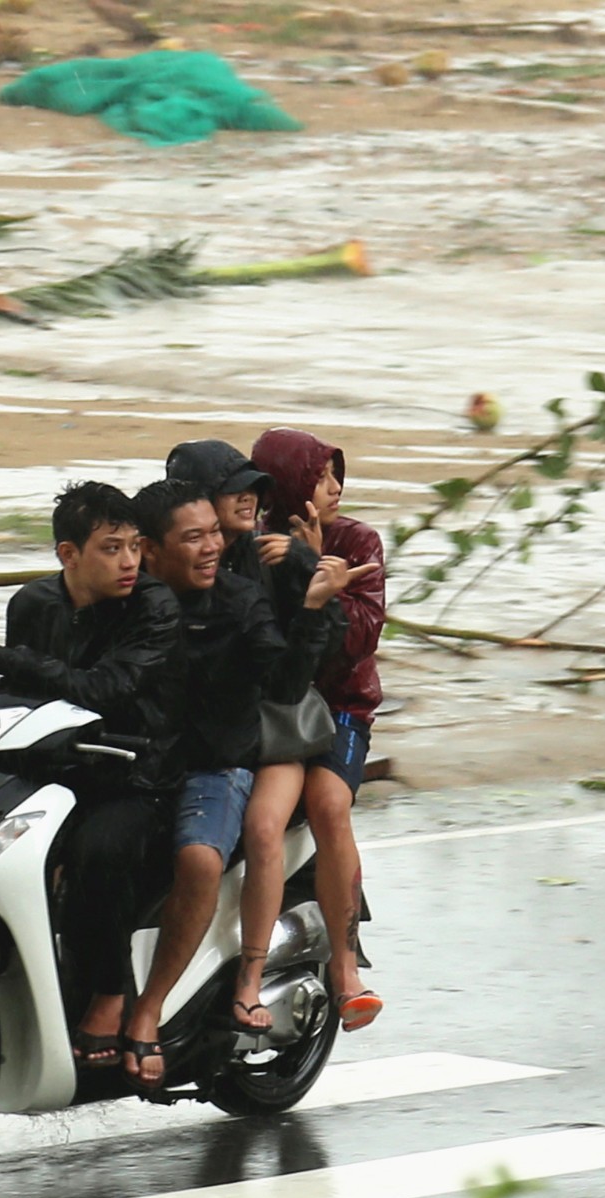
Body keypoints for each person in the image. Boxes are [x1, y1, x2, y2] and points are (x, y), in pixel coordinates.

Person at [0, 481, 186, 1069]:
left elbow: (106, 689)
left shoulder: (153, 607)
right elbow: (28, 695)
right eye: (110, 548)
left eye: (133, 546)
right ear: (68, 555)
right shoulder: (33, 605)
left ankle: (110, 993)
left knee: (99, 850)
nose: (128, 561)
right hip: (54, 771)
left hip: (135, 776)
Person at [117, 479, 354, 1086]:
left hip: (218, 767)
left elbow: (282, 683)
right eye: (193, 537)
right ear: (149, 548)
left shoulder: (240, 597)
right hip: (135, 765)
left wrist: (313, 604)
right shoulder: (126, 600)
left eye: (213, 534)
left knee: (201, 857)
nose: (210, 547)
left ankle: (149, 1008)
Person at [163, 439, 365, 1035]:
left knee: (261, 825)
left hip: (272, 735)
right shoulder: (164, 567)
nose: (249, 499)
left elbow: (293, 675)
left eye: (255, 488)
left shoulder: (272, 558)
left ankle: (252, 976)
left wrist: (310, 578)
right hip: (204, 740)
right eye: (234, 490)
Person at [249, 427, 387, 1032]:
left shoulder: (359, 542)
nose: (334, 489)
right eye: (321, 477)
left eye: (337, 477)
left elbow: (355, 641)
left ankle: (346, 964)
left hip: (338, 706)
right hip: (273, 707)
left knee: (330, 803)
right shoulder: (252, 543)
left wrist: (311, 565)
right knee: (258, 818)